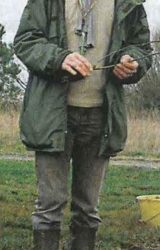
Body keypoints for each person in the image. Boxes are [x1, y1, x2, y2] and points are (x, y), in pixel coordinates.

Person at [13, 0, 152, 249]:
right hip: (52, 116)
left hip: (101, 117)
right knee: (49, 206)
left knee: (88, 208)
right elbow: (25, 41)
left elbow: (141, 48)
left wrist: (132, 62)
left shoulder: (130, 3)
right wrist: (59, 58)